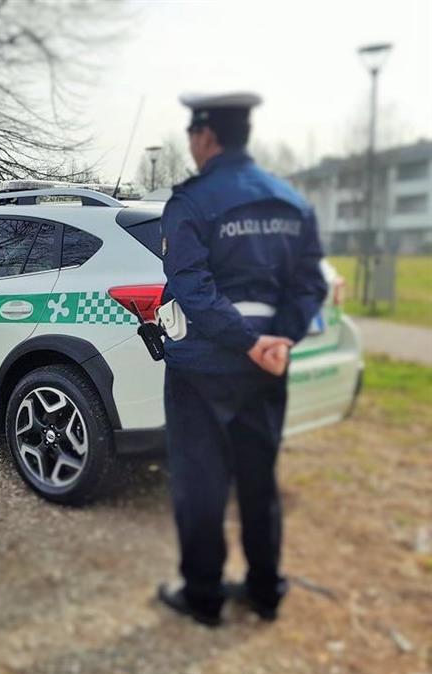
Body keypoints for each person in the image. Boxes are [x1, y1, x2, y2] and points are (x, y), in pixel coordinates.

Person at [156, 93, 328, 627]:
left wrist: (243, 340)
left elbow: (190, 283)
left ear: (206, 136)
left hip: (203, 365)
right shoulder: (291, 202)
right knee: (259, 480)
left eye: (192, 136)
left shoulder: (192, 200)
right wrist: (280, 340)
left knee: (201, 482)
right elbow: (309, 282)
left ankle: (204, 596)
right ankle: (265, 591)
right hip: (266, 368)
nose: (191, 145)